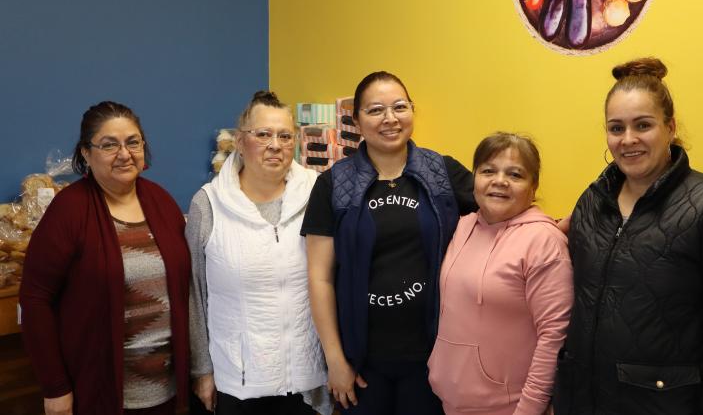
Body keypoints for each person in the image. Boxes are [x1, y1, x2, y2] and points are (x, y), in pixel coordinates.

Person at [552, 58, 703, 414]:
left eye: (643, 125)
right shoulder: (593, 202)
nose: (628, 140)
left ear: (670, 128)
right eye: (616, 128)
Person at [302, 71, 477, 414]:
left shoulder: (442, 172)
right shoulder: (333, 184)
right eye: (375, 110)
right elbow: (319, 278)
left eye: (400, 107)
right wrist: (336, 360)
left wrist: (556, 226)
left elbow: (501, 210)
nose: (390, 119)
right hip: (363, 360)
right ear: (357, 120)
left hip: (432, 355)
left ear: (412, 110)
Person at [20, 101, 190, 415]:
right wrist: (55, 388)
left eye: (133, 142)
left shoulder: (162, 202)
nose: (124, 154)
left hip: (165, 390)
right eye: (109, 145)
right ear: (86, 153)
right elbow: (34, 299)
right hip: (100, 393)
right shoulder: (68, 211)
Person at [186, 91, 331, 415]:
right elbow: (195, 293)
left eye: (284, 135)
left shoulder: (318, 192)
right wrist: (201, 370)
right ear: (239, 141)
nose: (275, 145)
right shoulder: (208, 204)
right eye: (262, 134)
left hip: (305, 379)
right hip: (236, 381)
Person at [427, 133, 573, 415]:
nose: (500, 181)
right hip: (451, 400)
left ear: (534, 186)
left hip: (508, 407)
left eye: (515, 174)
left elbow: (554, 336)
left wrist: (529, 410)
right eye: (488, 171)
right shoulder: (464, 226)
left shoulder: (543, 241)